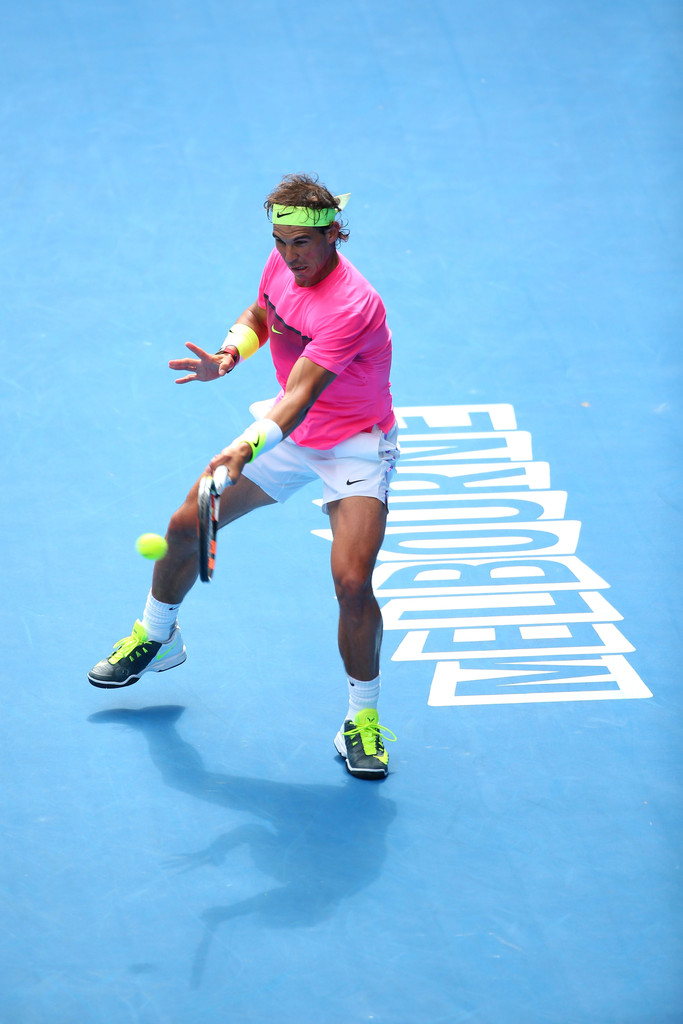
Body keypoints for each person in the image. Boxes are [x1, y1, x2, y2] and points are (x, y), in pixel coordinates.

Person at [88, 173, 399, 780]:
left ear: (334, 234)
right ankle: (157, 636)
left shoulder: (353, 304)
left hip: (355, 443)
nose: (289, 256)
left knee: (352, 582)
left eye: (301, 245)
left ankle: (361, 721)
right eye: (280, 242)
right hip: (292, 436)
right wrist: (231, 354)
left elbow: (301, 396)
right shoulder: (284, 264)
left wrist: (245, 447)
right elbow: (263, 311)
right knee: (187, 521)